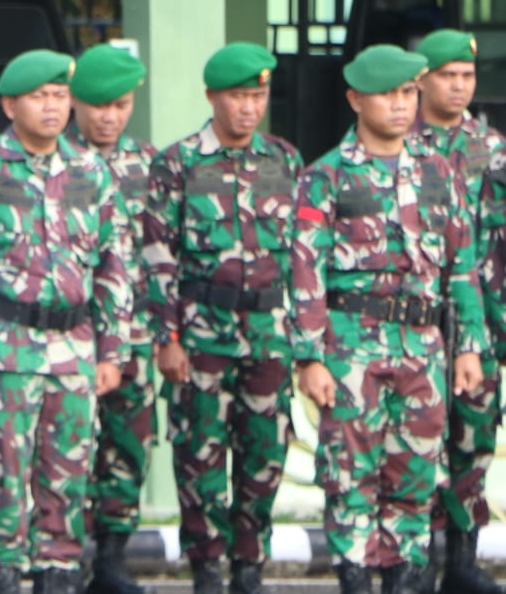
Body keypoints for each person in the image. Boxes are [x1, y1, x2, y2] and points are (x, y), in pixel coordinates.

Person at [291, 44, 486, 594]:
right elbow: (306, 271)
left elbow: (462, 266)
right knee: (351, 478)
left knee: (416, 479)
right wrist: (309, 357)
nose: (400, 105)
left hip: (422, 348)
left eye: (407, 93)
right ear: (356, 99)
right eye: (386, 94)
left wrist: (468, 345)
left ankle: (406, 579)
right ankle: (356, 580)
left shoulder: (437, 171)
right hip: (351, 348)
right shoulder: (326, 176)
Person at [0, 48, 133, 594]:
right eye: (38, 96)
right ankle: (4, 575)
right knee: (3, 478)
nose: (52, 106)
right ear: (10, 105)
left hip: (74, 351)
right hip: (5, 349)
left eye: (59, 95)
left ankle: (59, 578)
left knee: (67, 481)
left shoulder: (91, 172)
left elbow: (114, 264)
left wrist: (112, 349)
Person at [143, 42, 302, 594]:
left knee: (265, 453)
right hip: (201, 334)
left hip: (268, 336)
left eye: (258, 96)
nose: (248, 107)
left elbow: (302, 255)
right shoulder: (178, 163)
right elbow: (158, 257)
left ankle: (249, 567)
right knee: (199, 458)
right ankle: (207, 568)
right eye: (238, 96)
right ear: (212, 96)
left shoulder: (285, 160)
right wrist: (167, 337)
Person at [407, 29, 506, 594]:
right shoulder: (400, 143)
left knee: (474, 438)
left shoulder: (490, 147)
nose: (460, 86)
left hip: (479, 325)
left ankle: (462, 560)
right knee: (416, 441)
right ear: (422, 79)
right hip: (415, 320)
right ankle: (417, 559)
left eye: (467, 76)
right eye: (448, 75)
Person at [63, 44, 154, 594]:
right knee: (67, 450)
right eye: (99, 106)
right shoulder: (57, 161)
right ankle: (65, 557)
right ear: (75, 102)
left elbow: (164, 255)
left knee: (127, 446)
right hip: (68, 333)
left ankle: (113, 559)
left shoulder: (148, 165)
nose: (109, 117)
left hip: (134, 334)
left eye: (120, 106)